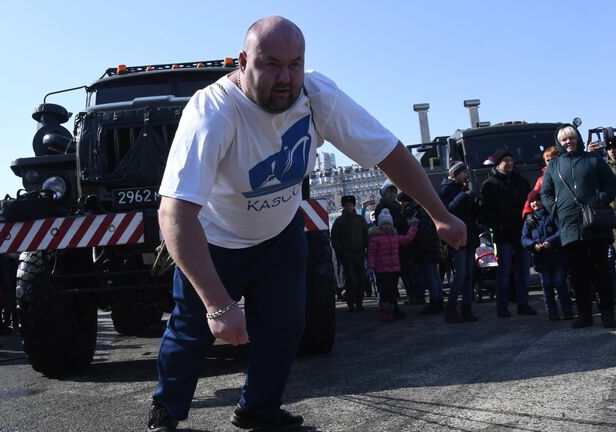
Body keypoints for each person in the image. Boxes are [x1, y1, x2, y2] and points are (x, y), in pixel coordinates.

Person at [147, 16, 466, 432]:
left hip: (279, 235)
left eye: (295, 64)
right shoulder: (213, 111)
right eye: (272, 64)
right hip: (214, 241)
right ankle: (165, 413)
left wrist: (440, 213)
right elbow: (174, 213)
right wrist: (218, 306)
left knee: (285, 328)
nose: (286, 78)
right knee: (191, 332)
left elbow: (389, 151)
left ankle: (257, 410)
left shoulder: (316, 95)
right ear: (243, 62)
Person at [540, 124, 616, 328]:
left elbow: (611, 183)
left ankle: (608, 311)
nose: (568, 142)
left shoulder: (594, 160)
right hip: (570, 227)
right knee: (578, 273)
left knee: (601, 270)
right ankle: (585, 314)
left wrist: (600, 198)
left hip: (596, 224)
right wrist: (556, 209)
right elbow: (545, 193)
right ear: (559, 143)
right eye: (564, 139)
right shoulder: (554, 166)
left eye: (571, 138)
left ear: (578, 138)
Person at [480, 149, 537, 318]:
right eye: (506, 160)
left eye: (511, 160)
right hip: (503, 234)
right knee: (504, 271)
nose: (510, 163)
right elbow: (486, 212)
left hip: (522, 233)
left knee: (524, 270)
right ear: (498, 163)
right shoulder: (489, 184)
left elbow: (529, 203)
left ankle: (523, 304)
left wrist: (529, 218)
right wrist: (498, 225)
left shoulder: (521, 181)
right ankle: (502, 306)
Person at [521, 190, 573, 321]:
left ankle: (568, 311)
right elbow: (524, 238)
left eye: (537, 200)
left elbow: (562, 231)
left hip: (557, 256)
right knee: (547, 285)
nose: (535, 203)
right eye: (532, 201)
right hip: (541, 259)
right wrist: (533, 245)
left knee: (560, 282)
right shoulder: (529, 220)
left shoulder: (552, 215)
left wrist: (550, 241)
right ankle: (552, 312)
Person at [440, 161, 481, 323]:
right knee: (461, 274)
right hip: (457, 236)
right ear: (454, 174)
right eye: (463, 172)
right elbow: (448, 209)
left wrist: (477, 203)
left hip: (469, 235)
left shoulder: (462, 189)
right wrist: (464, 196)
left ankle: (466, 308)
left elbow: (471, 214)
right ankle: (450, 310)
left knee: (469, 274)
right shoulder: (446, 189)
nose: (466, 175)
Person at [367, 208, 418, 321]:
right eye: (384, 224)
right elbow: (371, 253)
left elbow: (407, 239)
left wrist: (413, 227)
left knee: (391, 292)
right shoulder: (376, 239)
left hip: (394, 269)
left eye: (388, 224)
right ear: (380, 225)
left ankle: (390, 312)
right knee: (385, 292)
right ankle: (385, 312)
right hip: (381, 270)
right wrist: (371, 265)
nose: (386, 226)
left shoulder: (394, 237)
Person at [397, 192, 444, 315]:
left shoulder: (413, 212)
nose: (400, 204)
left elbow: (416, 231)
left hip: (424, 248)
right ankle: (439, 300)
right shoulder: (425, 210)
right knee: (435, 274)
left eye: (401, 202)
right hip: (433, 246)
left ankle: (435, 303)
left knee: (430, 275)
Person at [330, 195, 370, 312]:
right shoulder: (339, 221)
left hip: (359, 254)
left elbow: (366, 234)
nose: (349, 207)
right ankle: (351, 303)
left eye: (351, 205)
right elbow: (334, 238)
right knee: (350, 280)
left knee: (361, 279)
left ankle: (359, 302)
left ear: (354, 206)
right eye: (347, 205)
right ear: (344, 206)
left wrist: (367, 247)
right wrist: (339, 251)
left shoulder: (360, 219)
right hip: (346, 256)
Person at [522, 147, 559, 219]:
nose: (551, 162)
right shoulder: (541, 180)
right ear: (545, 162)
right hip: (549, 215)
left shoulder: (567, 174)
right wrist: (527, 212)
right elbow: (533, 196)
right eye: (548, 160)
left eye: (554, 159)